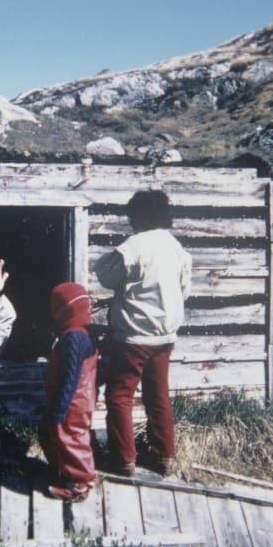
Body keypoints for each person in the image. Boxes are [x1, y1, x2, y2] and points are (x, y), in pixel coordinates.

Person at [94, 190, 192, 477]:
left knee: (120, 395)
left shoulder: (133, 245)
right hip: (165, 337)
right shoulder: (176, 247)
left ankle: (124, 459)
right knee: (158, 394)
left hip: (134, 336)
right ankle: (164, 456)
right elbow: (184, 290)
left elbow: (106, 276)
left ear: (136, 215)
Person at [39, 282, 99, 501]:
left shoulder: (74, 338)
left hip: (72, 400)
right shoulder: (83, 333)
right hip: (78, 398)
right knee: (56, 434)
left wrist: (59, 409)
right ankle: (66, 473)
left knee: (70, 438)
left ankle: (80, 484)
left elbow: (70, 377)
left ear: (64, 310)